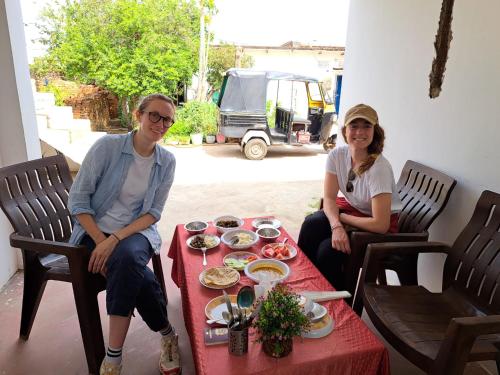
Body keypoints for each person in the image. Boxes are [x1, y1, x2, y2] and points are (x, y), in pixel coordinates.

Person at [68, 94, 179, 375]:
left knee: (127, 256)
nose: (161, 123)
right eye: (154, 115)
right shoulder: (108, 147)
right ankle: (166, 334)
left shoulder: (166, 161)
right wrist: (100, 241)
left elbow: (153, 213)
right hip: (92, 231)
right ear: (138, 115)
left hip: (134, 231)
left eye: (167, 119)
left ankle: (112, 361)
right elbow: (78, 202)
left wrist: (115, 240)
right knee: (135, 271)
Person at [298, 103, 402, 290]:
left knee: (327, 251)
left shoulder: (379, 169)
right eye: (354, 126)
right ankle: (304, 284)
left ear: (375, 130)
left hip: (377, 229)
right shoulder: (337, 156)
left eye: (366, 126)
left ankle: (335, 304)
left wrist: (342, 218)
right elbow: (329, 199)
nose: (360, 132)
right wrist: (337, 226)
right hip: (354, 211)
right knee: (311, 224)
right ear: (345, 130)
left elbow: (381, 224)